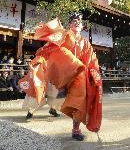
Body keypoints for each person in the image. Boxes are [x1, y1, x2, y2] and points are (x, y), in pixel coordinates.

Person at [19, 13, 102, 141]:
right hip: (61, 72)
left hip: (78, 75)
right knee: (38, 89)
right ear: (69, 24)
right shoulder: (63, 35)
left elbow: (91, 60)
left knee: (79, 101)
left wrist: (93, 72)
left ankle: (75, 129)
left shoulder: (85, 43)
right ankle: (31, 110)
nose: (77, 23)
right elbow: (51, 47)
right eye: (74, 21)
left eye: (79, 21)